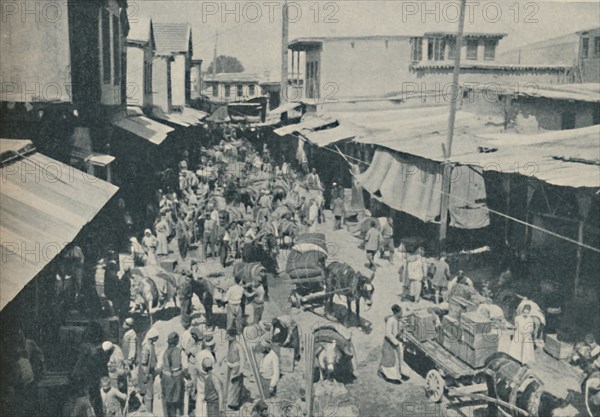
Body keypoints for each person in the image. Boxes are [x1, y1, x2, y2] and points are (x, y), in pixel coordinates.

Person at [159, 332, 188, 417]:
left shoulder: (163, 352)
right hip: (177, 378)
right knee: (177, 400)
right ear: (177, 341)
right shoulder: (180, 352)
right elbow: (185, 368)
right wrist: (188, 378)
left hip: (166, 377)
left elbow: (160, 366)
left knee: (167, 400)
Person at [378, 304, 407, 384]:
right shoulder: (391, 321)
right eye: (401, 312)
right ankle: (387, 375)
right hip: (389, 343)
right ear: (397, 312)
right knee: (389, 360)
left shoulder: (399, 319)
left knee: (398, 358)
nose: (402, 313)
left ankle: (399, 374)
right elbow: (388, 334)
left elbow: (400, 330)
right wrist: (396, 342)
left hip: (396, 341)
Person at [222, 328, 247, 410]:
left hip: (236, 367)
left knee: (235, 386)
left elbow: (243, 358)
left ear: (233, 336)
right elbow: (227, 353)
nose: (227, 338)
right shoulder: (229, 344)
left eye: (228, 336)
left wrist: (241, 370)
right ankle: (227, 400)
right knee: (227, 384)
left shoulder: (238, 345)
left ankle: (234, 404)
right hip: (229, 366)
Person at [137, 329, 159, 414]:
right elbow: (144, 362)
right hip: (147, 373)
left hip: (150, 372)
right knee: (148, 395)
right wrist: (146, 375)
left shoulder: (151, 346)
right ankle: (149, 413)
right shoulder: (147, 347)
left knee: (149, 394)